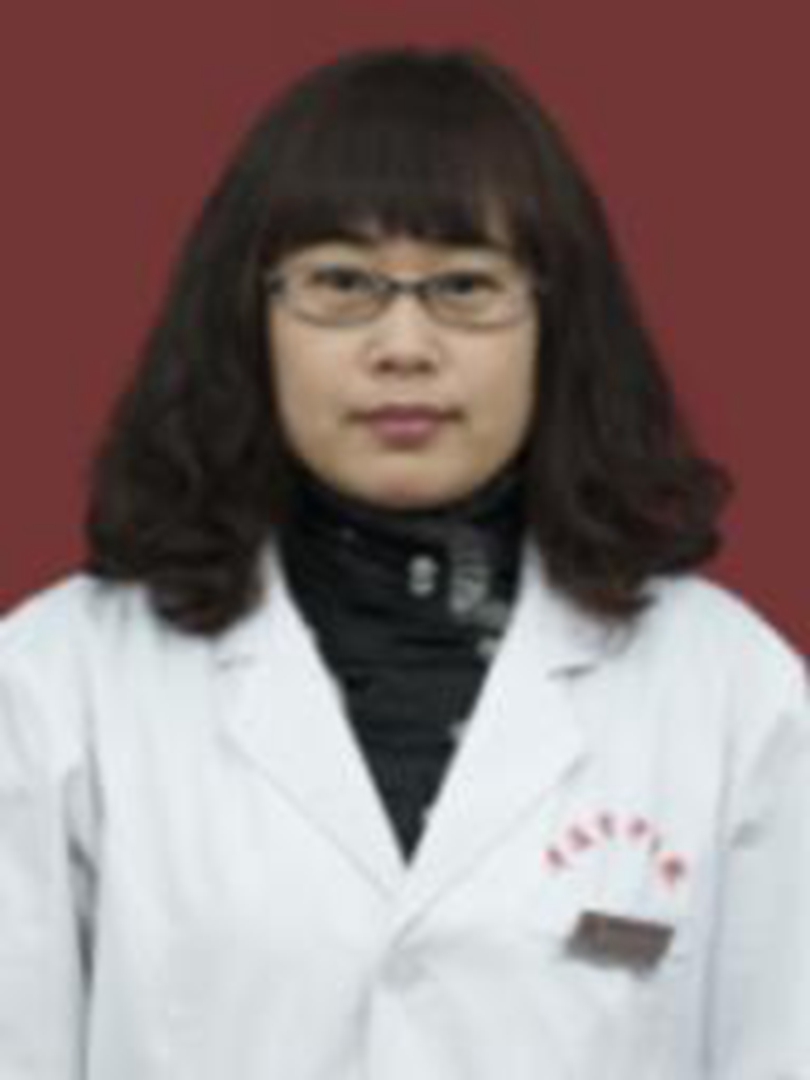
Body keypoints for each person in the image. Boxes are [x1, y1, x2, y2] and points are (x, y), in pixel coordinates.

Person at [1, 43, 808, 1080]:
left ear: (557, 322)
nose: (404, 346)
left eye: (466, 285)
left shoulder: (729, 691)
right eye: (341, 282)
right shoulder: (57, 686)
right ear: (248, 317)